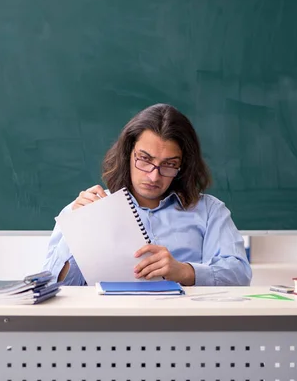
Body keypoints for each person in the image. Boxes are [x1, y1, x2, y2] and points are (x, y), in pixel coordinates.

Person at [42, 103, 252, 286]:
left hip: (182, 325)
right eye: (144, 159)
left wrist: (184, 271)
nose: (153, 176)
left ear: (184, 166)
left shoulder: (209, 211)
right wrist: (77, 230)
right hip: (109, 325)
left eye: (169, 165)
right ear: (128, 153)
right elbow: (53, 286)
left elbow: (239, 274)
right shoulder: (87, 207)